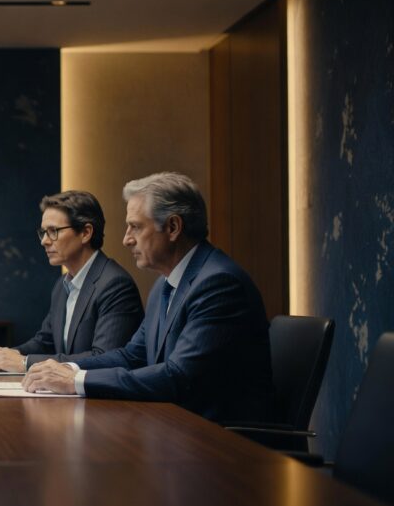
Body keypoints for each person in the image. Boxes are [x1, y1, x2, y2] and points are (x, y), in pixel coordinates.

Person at [22, 173, 274, 422]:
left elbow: (179, 376)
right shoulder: (165, 284)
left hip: (222, 444)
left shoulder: (218, 284)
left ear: (173, 227)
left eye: (136, 226)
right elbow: (132, 356)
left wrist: (76, 381)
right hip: (175, 429)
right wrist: (68, 369)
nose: (126, 239)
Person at [0, 191, 143, 373]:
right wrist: (8, 354)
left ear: (86, 233)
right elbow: (46, 342)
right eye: (43, 232)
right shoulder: (61, 285)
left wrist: (25, 362)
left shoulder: (115, 284)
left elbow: (105, 358)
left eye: (53, 231)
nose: (44, 241)